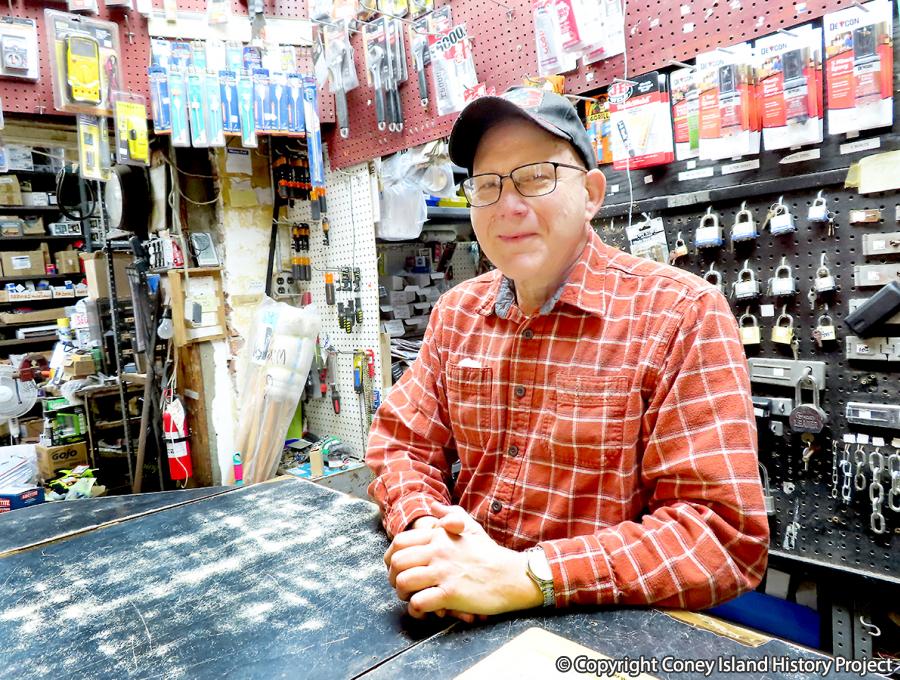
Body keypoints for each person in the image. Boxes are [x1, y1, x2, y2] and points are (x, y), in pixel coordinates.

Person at [365, 88, 769, 623]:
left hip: (594, 631)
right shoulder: (457, 313)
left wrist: (527, 576)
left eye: (536, 177)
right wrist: (430, 533)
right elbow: (402, 444)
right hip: (457, 610)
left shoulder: (682, 315)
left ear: (592, 194)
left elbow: (721, 535)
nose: (508, 206)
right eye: (487, 185)